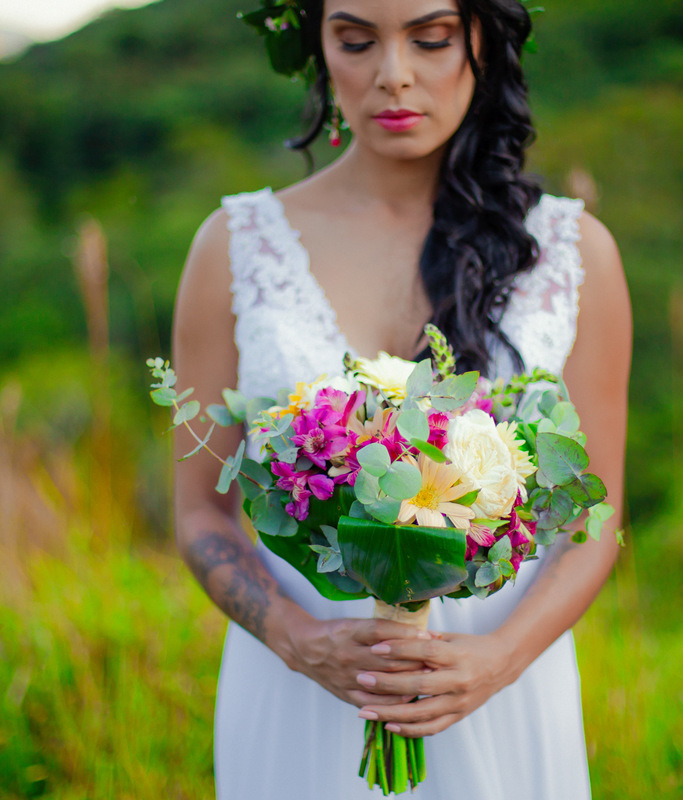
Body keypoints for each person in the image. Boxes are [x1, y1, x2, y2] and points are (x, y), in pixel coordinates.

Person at [171, 0, 631, 796]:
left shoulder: (573, 252)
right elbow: (200, 514)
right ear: (315, 45)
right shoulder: (233, 246)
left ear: (482, 39)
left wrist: (499, 661)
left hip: (500, 693)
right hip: (299, 693)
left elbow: (595, 520)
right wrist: (298, 640)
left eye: (432, 38)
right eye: (356, 40)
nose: (394, 75)